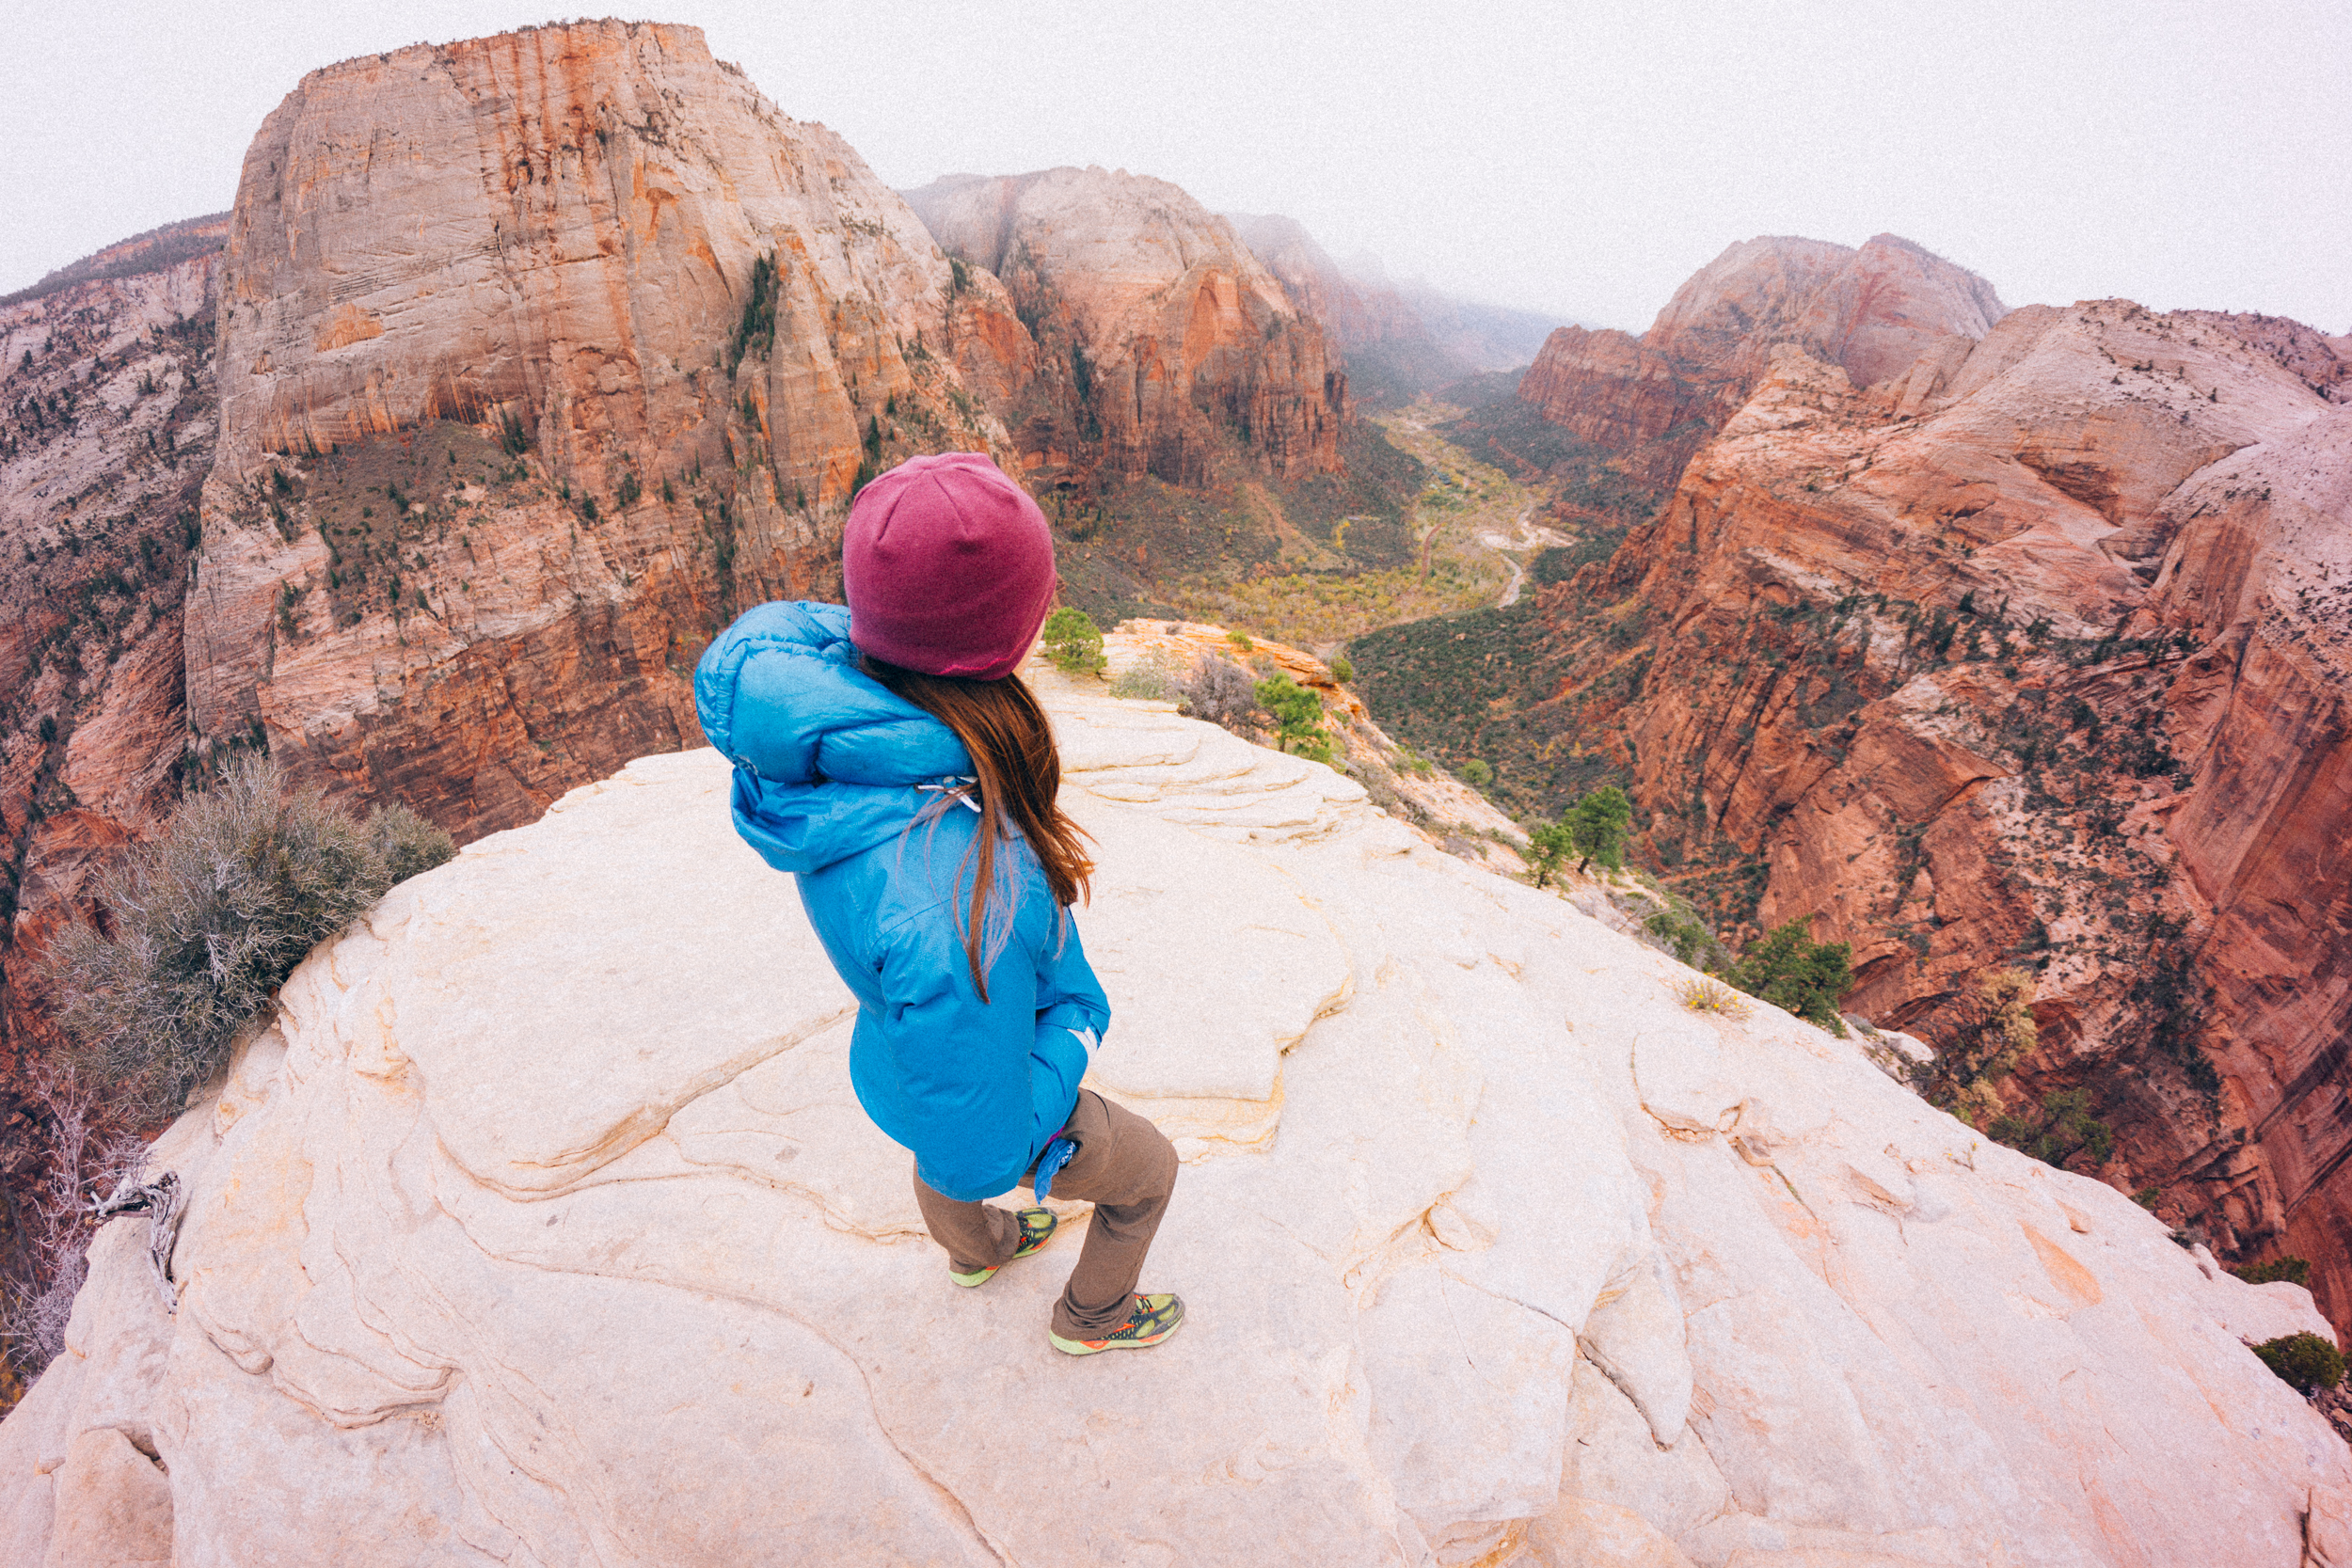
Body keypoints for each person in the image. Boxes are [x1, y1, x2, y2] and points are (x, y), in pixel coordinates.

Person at [693, 451, 1183, 1355]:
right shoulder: (964, 900)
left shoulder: (830, 747)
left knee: (936, 1138)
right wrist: (1077, 1033)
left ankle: (979, 1250)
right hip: (996, 1071)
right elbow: (980, 1149)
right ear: (1002, 640)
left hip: (896, 1058)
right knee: (1149, 1174)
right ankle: (1093, 1316)